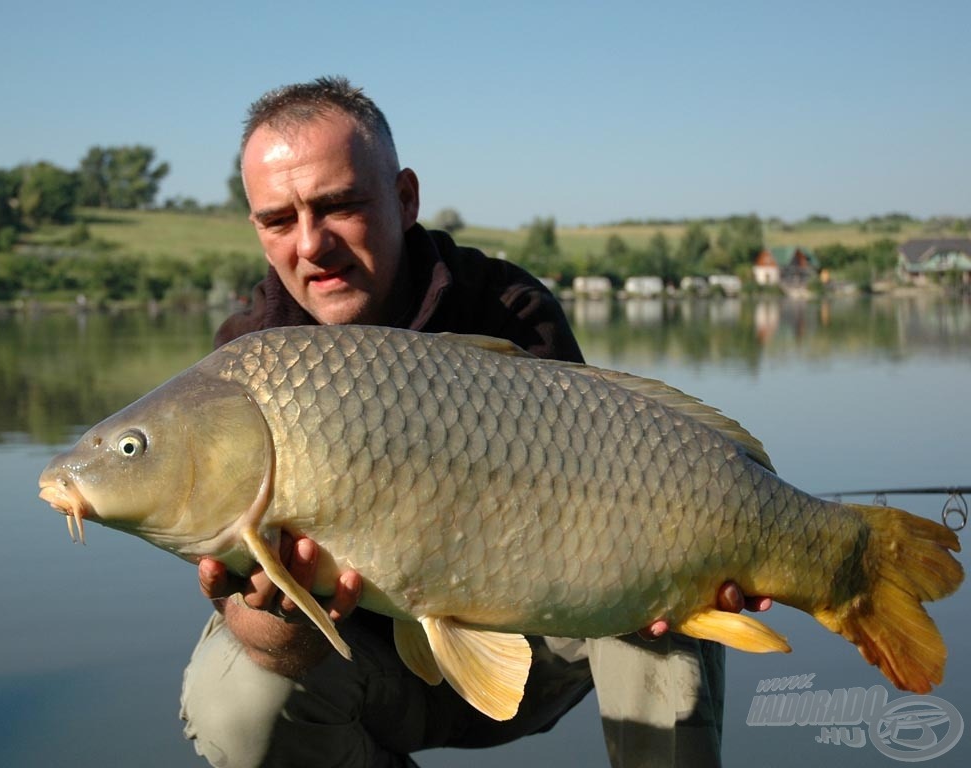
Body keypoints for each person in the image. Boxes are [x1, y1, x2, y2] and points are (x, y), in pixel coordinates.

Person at [180, 76, 770, 768]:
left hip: (550, 636)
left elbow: (631, 481)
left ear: (405, 199)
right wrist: (277, 618)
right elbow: (265, 637)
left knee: (666, 567)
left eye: (338, 206)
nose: (311, 244)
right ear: (257, 228)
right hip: (374, 669)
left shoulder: (508, 309)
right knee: (234, 695)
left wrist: (697, 553)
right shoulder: (245, 367)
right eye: (280, 220)